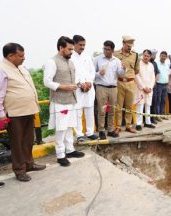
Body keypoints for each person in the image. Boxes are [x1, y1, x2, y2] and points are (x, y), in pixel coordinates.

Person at [0, 43, 46, 181]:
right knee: (17, 143)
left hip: (28, 111)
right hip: (14, 114)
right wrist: (1, 115)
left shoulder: (20, 68)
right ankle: (19, 169)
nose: (24, 58)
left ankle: (29, 164)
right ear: (10, 56)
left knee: (28, 140)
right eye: (20, 56)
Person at [44, 36, 85, 167]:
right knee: (61, 129)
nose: (72, 51)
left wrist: (78, 84)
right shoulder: (52, 62)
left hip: (71, 99)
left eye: (72, 49)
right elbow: (47, 82)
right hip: (60, 101)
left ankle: (70, 150)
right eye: (69, 49)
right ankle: (60, 155)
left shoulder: (70, 61)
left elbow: (74, 78)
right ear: (61, 48)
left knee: (69, 127)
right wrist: (64, 87)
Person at [94, 40, 125, 139]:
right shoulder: (97, 59)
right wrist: (99, 73)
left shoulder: (116, 60)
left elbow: (120, 74)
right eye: (104, 49)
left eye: (108, 49)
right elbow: (90, 74)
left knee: (112, 110)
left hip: (113, 88)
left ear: (112, 50)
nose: (105, 51)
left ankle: (111, 129)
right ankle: (102, 130)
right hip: (101, 87)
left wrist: (124, 69)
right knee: (102, 110)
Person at [70, 35, 98, 142]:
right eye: (80, 45)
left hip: (89, 88)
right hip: (78, 88)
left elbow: (92, 71)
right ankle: (79, 134)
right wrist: (81, 84)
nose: (82, 47)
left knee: (89, 110)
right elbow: (71, 73)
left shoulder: (87, 56)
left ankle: (90, 132)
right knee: (78, 112)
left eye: (84, 45)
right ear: (74, 44)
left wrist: (89, 83)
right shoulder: (70, 57)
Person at [114, 35, 140, 134]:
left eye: (131, 45)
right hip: (119, 82)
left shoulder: (136, 55)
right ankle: (118, 126)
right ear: (123, 43)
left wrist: (129, 76)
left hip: (130, 83)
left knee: (129, 105)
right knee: (119, 106)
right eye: (128, 45)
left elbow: (137, 70)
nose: (130, 47)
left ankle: (129, 125)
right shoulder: (115, 54)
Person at [134, 50, 156, 131]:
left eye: (147, 56)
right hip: (140, 89)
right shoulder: (138, 64)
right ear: (142, 55)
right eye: (145, 55)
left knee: (148, 105)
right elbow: (136, 76)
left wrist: (150, 87)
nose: (146, 57)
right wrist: (143, 87)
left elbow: (153, 77)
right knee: (140, 106)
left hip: (149, 89)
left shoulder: (151, 65)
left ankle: (148, 122)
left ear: (150, 57)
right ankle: (138, 123)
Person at [156, 51, 170, 119]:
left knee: (163, 100)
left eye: (164, 56)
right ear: (160, 56)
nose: (163, 57)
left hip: (165, 84)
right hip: (158, 84)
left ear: (166, 57)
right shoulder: (156, 63)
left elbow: (168, 75)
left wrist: (168, 84)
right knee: (158, 100)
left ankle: (163, 114)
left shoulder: (167, 64)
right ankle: (158, 116)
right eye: (162, 56)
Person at [150, 49, 160, 124]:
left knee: (154, 102)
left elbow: (157, 74)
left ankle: (152, 119)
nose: (154, 56)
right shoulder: (143, 63)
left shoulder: (154, 63)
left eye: (155, 55)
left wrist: (154, 82)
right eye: (153, 55)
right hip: (146, 87)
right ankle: (146, 119)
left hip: (154, 86)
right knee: (146, 104)